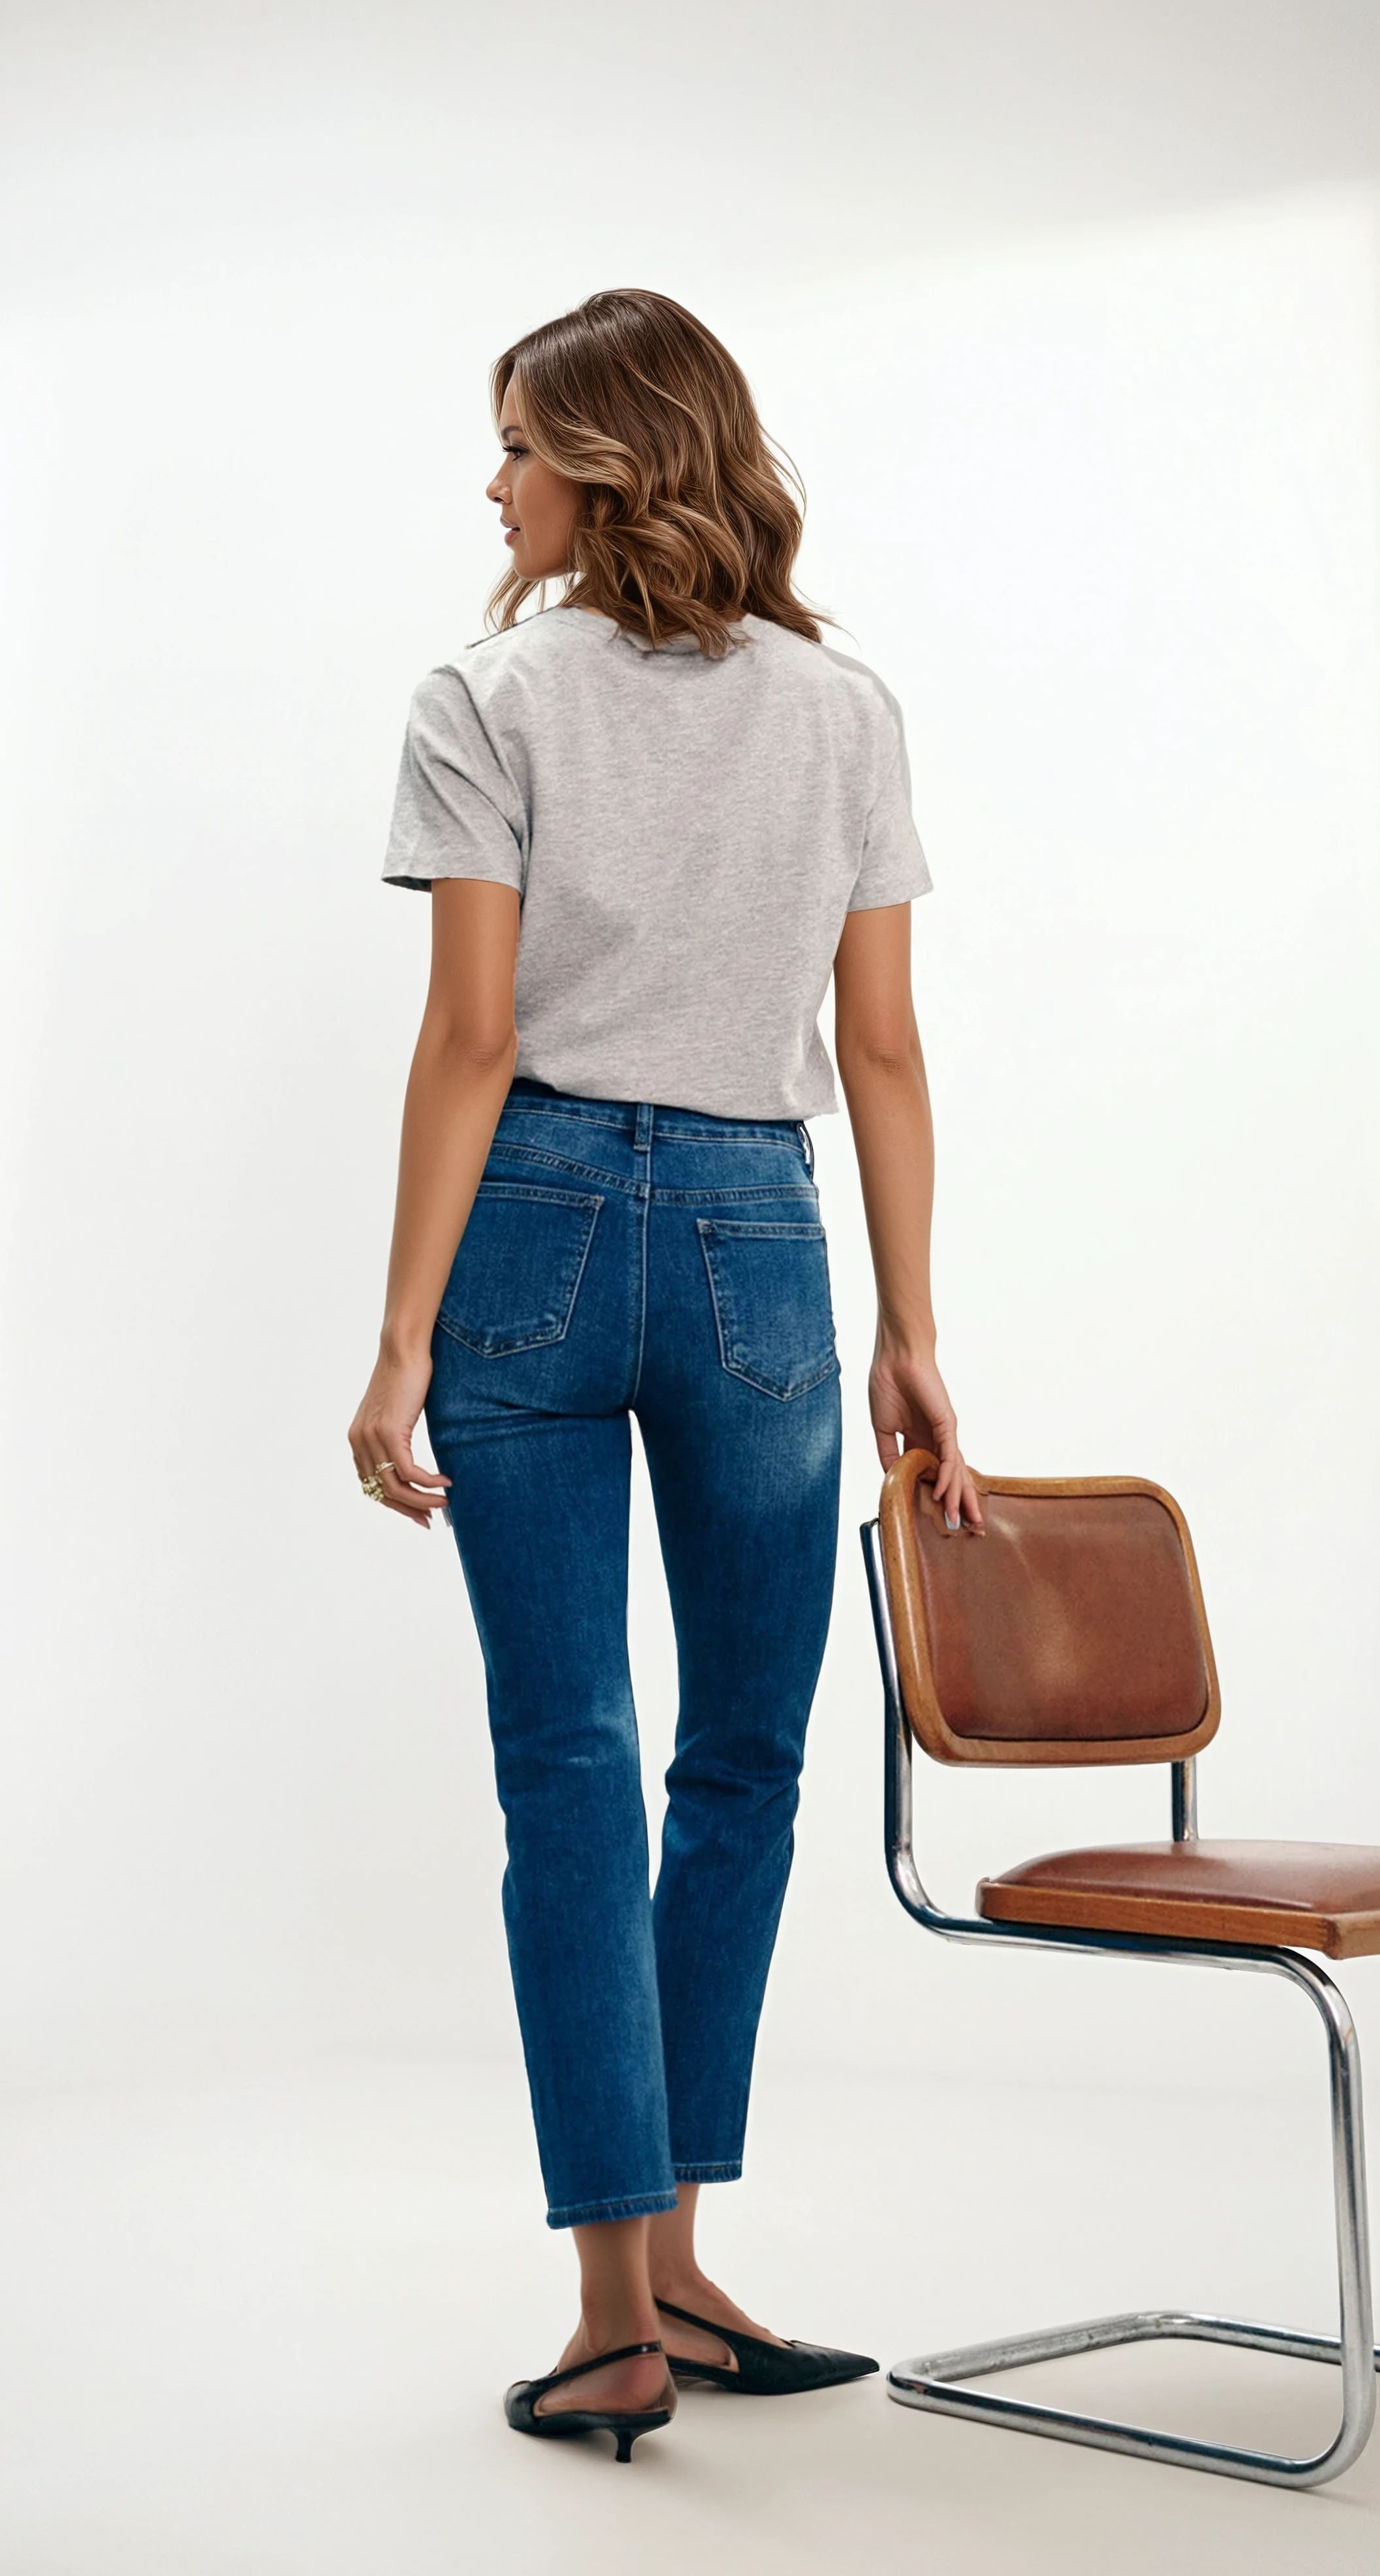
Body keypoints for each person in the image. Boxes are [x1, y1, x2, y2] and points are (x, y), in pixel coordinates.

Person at [350, 288, 983, 2463]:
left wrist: (403, 1337)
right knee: (739, 1765)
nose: (496, 486)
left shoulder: (485, 695)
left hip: (531, 1218)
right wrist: (909, 1327)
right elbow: (877, 1047)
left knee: (567, 1766)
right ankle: (666, 2268)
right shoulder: (843, 712)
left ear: (609, 462)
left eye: (519, 446)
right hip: (750, 1237)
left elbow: (471, 1035)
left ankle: (629, 2309)